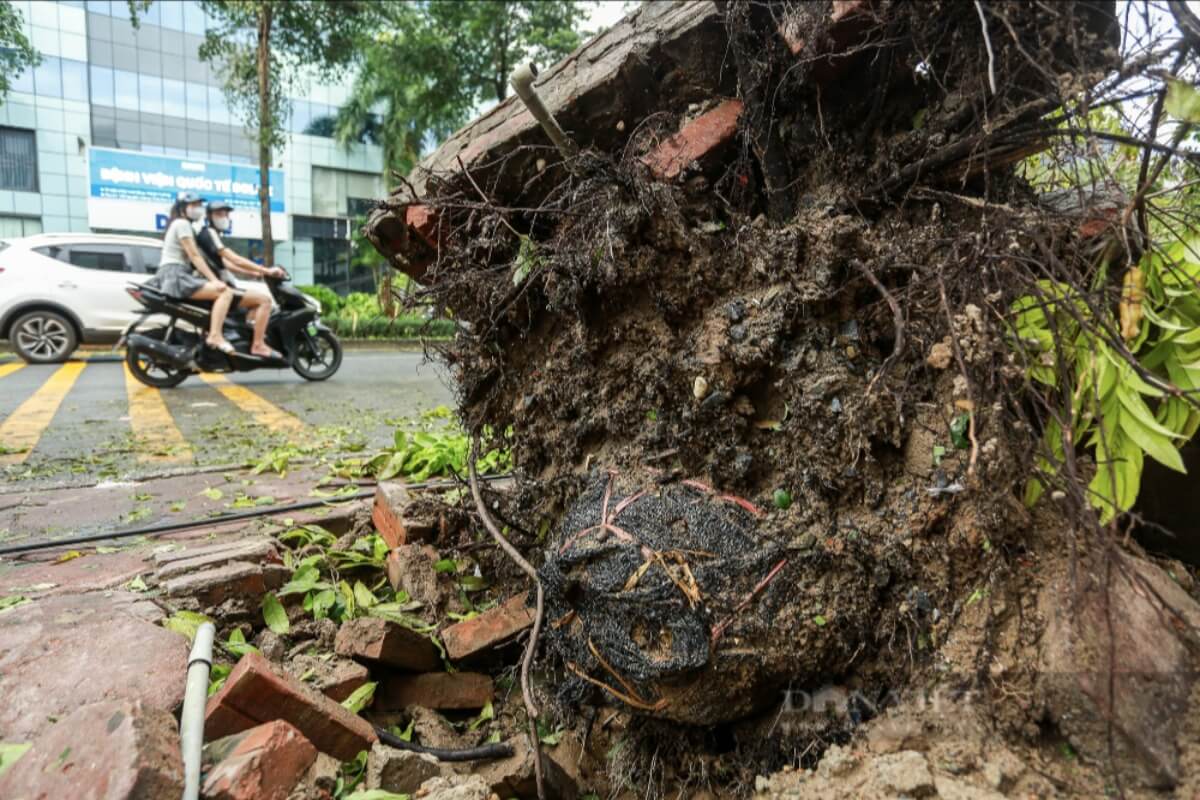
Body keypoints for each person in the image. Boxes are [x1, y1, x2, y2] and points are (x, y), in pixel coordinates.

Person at [196, 200, 286, 359]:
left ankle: (240, 339)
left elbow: (225, 263)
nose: (223, 217)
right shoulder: (209, 233)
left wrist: (253, 273)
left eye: (225, 214)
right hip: (219, 288)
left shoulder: (210, 234)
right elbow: (234, 259)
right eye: (219, 214)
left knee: (251, 309)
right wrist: (265, 270)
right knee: (264, 301)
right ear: (209, 216)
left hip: (217, 286)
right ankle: (258, 345)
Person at [154, 191, 237, 353]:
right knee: (225, 292)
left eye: (199, 205)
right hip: (175, 275)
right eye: (193, 205)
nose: (197, 209)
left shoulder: (183, 225)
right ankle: (215, 336)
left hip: (175, 273)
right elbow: (194, 256)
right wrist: (214, 280)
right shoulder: (182, 224)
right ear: (182, 208)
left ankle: (209, 335)